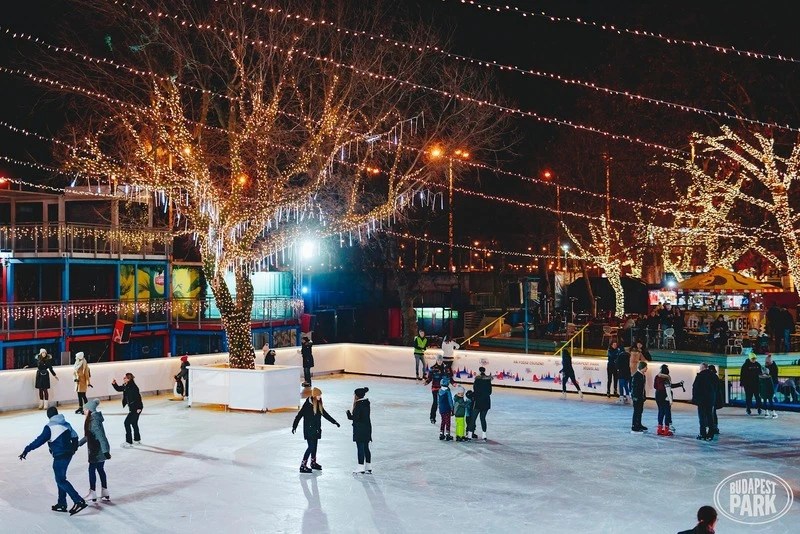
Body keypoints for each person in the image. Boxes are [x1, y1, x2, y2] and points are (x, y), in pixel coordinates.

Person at [19, 406, 88, 515]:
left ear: (48, 416)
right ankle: (62, 503)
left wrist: (26, 449)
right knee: (60, 479)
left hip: (60, 456)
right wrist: (73, 449)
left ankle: (78, 500)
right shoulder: (66, 423)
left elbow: (39, 441)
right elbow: (75, 436)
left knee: (61, 480)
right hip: (68, 454)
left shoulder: (49, 427)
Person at [292, 387, 340, 473]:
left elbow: (325, 414)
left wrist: (334, 422)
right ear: (314, 396)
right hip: (309, 429)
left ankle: (313, 463)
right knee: (311, 447)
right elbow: (299, 415)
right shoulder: (307, 405)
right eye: (318, 395)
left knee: (314, 447)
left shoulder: (318, 404)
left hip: (316, 429)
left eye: (320, 395)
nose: (320, 397)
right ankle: (302, 466)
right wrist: (294, 426)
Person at [78, 399, 111, 502]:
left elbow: (101, 436)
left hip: (97, 451)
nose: (83, 411)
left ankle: (92, 492)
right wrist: (78, 444)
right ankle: (104, 491)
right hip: (100, 449)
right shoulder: (93, 419)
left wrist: (105, 451)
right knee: (100, 469)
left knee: (92, 469)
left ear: (89, 410)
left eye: (84, 409)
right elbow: (89, 436)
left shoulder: (93, 421)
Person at [111, 373, 143, 447]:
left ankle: (129, 441)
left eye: (125, 378)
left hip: (136, 408)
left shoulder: (133, 387)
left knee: (127, 423)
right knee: (134, 423)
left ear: (129, 379)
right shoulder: (126, 386)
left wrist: (139, 408)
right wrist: (114, 384)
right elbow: (119, 388)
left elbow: (138, 398)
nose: (123, 378)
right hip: (132, 407)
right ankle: (137, 439)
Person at [346, 387, 372, 474]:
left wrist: (348, 415)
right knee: (366, 447)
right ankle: (368, 465)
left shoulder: (358, 405)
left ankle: (360, 466)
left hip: (360, 429)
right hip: (367, 428)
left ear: (357, 396)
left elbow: (356, 418)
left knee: (360, 447)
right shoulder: (366, 403)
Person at [653, 364, 683, 436]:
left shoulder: (657, 376)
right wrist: (671, 400)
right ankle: (666, 430)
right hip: (665, 396)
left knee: (660, 411)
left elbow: (655, 386)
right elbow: (668, 389)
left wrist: (679, 384)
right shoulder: (667, 378)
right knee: (667, 412)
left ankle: (659, 429)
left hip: (658, 395)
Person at [692, 363, 716, 441]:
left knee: (702, 417)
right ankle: (710, 434)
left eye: (700, 368)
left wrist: (695, 399)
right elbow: (717, 388)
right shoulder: (713, 376)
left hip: (701, 400)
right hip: (710, 400)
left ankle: (703, 434)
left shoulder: (699, 376)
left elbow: (695, 387)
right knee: (710, 416)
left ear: (703, 368)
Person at [473, 366, 492, 441]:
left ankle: (470, 434)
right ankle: (484, 434)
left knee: (473, 418)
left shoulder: (477, 380)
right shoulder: (488, 380)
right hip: (486, 402)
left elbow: (475, 390)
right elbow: (490, 392)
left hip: (478, 401)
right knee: (482, 418)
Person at [630, 361, 648, 433]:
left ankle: (639, 424)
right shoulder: (636, 376)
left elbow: (643, 387)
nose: (647, 368)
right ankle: (634, 426)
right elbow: (634, 387)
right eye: (646, 367)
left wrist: (644, 395)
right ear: (642, 368)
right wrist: (635, 397)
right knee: (636, 411)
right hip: (637, 397)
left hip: (640, 397)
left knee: (640, 411)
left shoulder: (643, 375)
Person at [437, 376, 454, 441]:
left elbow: (438, 400)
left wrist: (439, 407)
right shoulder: (447, 391)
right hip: (447, 409)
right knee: (447, 421)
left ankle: (441, 433)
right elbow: (450, 400)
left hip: (441, 409)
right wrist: (452, 408)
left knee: (443, 421)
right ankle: (447, 434)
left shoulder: (439, 390)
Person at [708, 365, 723, 437]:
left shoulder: (711, 377)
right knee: (713, 413)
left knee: (712, 413)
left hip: (712, 398)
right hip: (714, 398)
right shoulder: (715, 377)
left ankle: (713, 427)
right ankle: (715, 427)